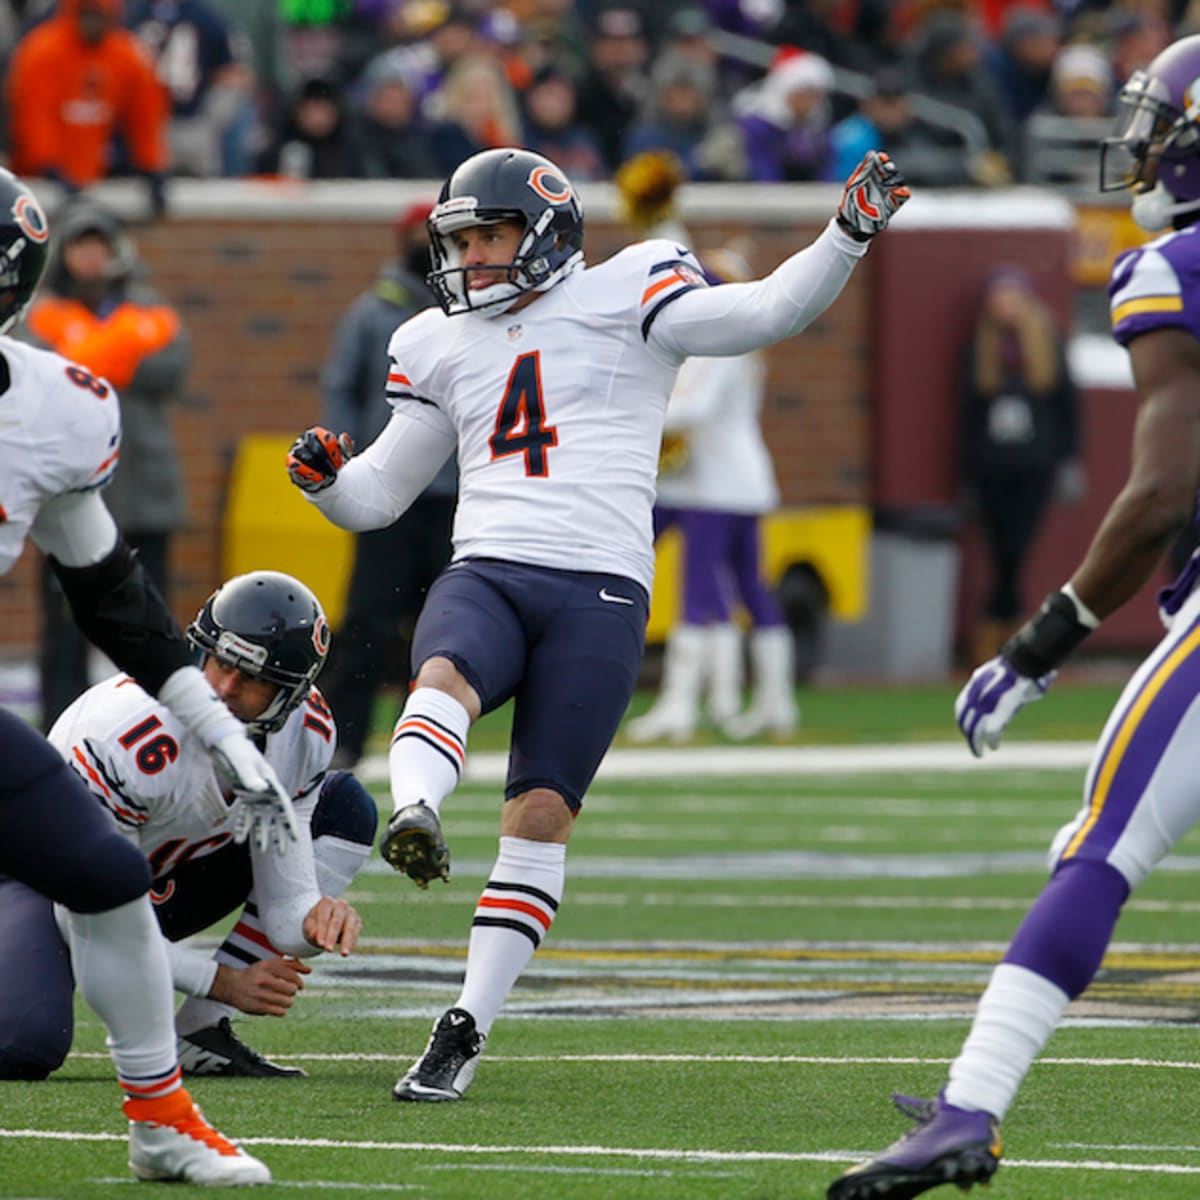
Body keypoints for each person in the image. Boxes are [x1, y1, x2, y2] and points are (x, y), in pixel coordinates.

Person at [286, 144, 909, 1102]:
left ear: (542, 233)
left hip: (601, 589)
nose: (472, 259)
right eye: (463, 241)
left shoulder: (632, 288)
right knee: (441, 674)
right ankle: (416, 809)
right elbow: (380, 493)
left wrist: (846, 234)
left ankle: (465, 1025)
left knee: (540, 814)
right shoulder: (437, 342)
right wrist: (329, 484)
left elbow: (765, 310)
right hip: (490, 563)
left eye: (489, 236)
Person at [828, 33, 1200, 1200]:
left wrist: (1040, 644)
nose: (1141, 152)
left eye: (1160, 130)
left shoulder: (1174, 269)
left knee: (1101, 848)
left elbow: (1160, 493)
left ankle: (971, 1109)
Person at [0, 168, 294, 1184]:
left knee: (107, 876)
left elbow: (111, 596)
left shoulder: (51, 407)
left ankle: (161, 1120)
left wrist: (217, 733)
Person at [16, 571, 372, 1079]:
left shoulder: (305, 733)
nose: (224, 686)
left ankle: (198, 1032)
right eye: (222, 663)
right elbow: (89, 919)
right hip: (40, 883)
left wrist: (318, 919)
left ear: (290, 695)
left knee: (346, 807)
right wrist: (220, 980)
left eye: (250, 678)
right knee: (23, 1043)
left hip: (150, 875)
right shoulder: (127, 737)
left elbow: (285, 909)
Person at [23, 200, 190, 730]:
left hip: (145, 487)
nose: (92, 258)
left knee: (150, 616)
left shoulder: (152, 307)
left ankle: (156, 724)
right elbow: (43, 369)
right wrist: (119, 346)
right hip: (70, 490)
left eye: (100, 245)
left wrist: (93, 351)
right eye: (81, 246)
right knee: (67, 622)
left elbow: (171, 364)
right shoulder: (42, 312)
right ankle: (60, 728)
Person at [628, 245, 797, 743]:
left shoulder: (725, 343)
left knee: (699, 590)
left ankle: (681, 704)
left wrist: (636, 415)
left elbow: (693, 409)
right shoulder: (739, 342)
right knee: (750, 589)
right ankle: (772, 701)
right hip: (743, 481)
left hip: (717, 485)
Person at [318, 201, 456, 770]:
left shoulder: (470, 313)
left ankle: (430, 739)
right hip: (390, 494)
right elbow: (341, 386)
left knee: (444, 626)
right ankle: (345, 735)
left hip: (453, 492)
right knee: (370, 617)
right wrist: (349, 462)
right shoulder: (375, 312)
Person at [959, 265, 1081, 663]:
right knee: (1000, 552)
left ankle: (999, 634)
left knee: (1017, 548)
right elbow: (967, 413)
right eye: (999, 298)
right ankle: (1015, 639)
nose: (1006, 306)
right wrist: (967, 470)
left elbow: (1068, 405)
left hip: (1035, 464)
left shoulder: (1047, 342)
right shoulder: (979, 348)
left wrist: (1069, 461)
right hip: (992, 466)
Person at [5, 0, 171, 215]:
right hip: (39, 182)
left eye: (98, 15)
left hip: (91, 176)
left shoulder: (126, 54)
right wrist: (48, 167)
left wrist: (150, 165)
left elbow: (146, 114)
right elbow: (33, 117)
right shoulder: (42, 50)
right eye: (86, 14)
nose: (91, 23)